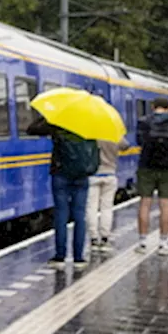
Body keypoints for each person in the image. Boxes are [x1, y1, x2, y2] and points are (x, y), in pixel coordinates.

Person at [26, 113, 99, 268]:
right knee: (80, 215)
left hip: (61, 176)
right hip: (81, 176)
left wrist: (47, 116)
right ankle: (79, 258)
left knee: (61, 215)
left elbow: (31, 129)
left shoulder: (58, 124)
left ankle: (60, 257)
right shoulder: (89, 125)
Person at [135, 97, 168, 255]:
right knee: (166, 205)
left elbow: (139, 141)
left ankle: (142, 242)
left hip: (146, 167)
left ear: (152, 106)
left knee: (145, 204)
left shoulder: (144, 121)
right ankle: (163, 243)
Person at [86, 136, 125, 254]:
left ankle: (93, 238)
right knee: (107, 208)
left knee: (91, 208)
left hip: (93, 176)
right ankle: (104, 238)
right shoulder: (113, 134)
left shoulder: (90, 135)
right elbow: (125, 146)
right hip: (110, 175)